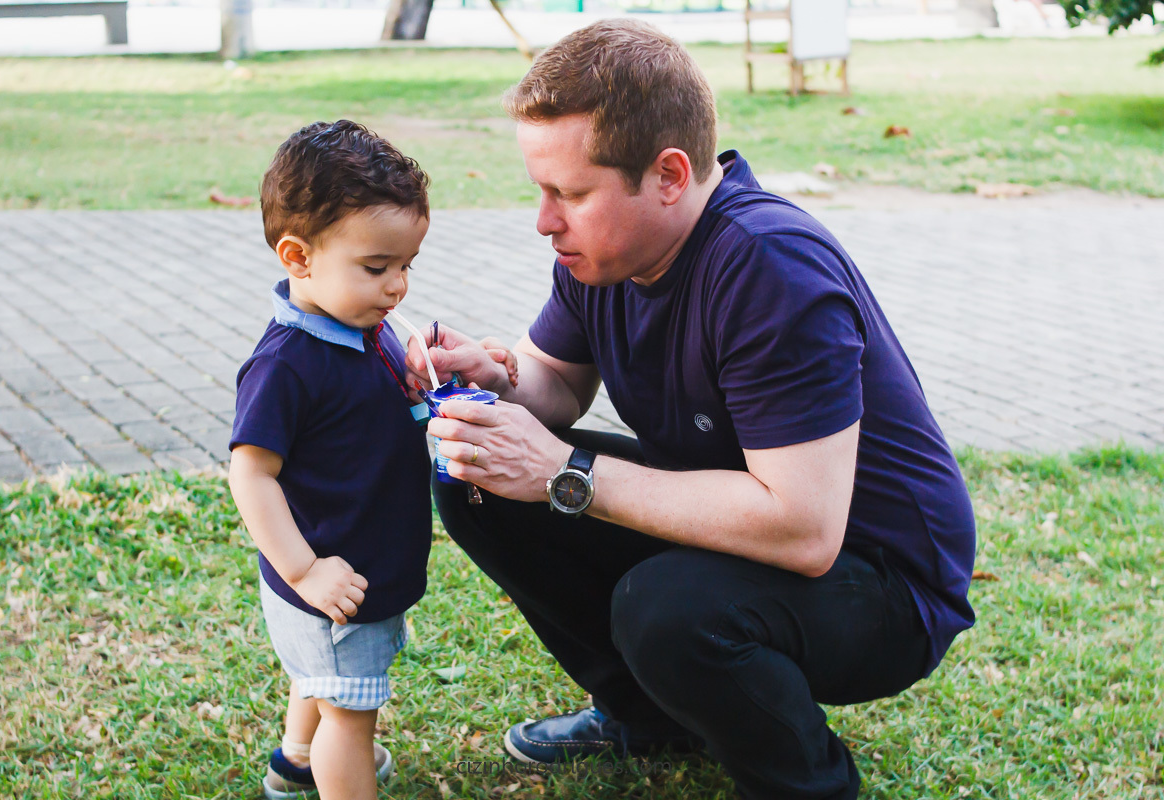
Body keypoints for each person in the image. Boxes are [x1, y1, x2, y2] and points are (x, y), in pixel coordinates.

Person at [405, 19, 977, 800]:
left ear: (669, 175)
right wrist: (497, 379)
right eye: (541, 190)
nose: (545, 220)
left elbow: (804, 530)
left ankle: (809, 785)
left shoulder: (769, 267)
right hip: (742, 519)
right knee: (478, 476)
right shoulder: (604, 252)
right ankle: (647, 715)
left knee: (667, 609)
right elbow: (558, 383)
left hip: (880, 580)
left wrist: (565, 472)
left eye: (570, 193)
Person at [227, 119, 433, 800]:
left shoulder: (359, 327)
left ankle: (294, 760)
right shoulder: (287, 364)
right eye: (376, 268)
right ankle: (332, 770)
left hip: (359, 561)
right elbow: (251, 472)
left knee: (322, 681)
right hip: (328, 578)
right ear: (298, 257)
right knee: (349, 716)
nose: (397, 286)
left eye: (406, 265)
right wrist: (304, 570)